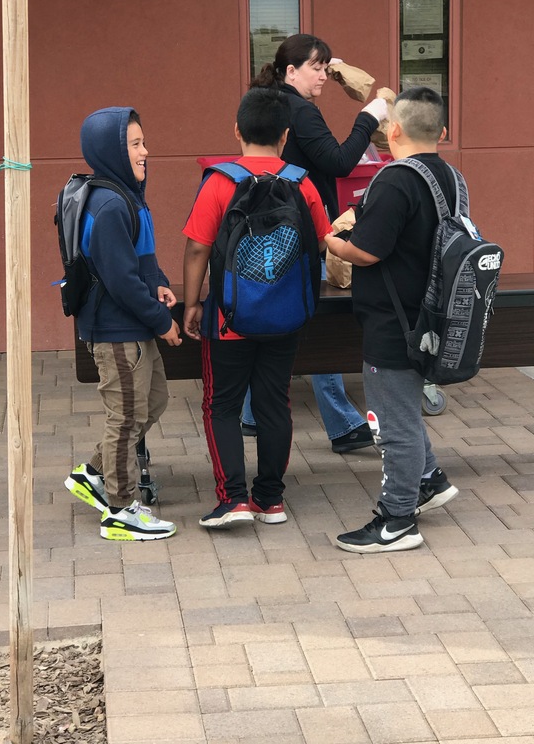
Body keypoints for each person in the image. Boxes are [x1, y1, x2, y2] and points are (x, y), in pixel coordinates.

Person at [183, 88, 332, 527]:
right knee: (274, 403)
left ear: (237, 131)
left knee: (223, 404)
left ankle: (233, 498)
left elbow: (197, 249)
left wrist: (193, 304)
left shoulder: (220, 181)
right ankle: (270, 499)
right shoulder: (302, 181)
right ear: (285, 136)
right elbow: (321, 243)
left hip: (230, 318)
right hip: (284, 317)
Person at [325, 86, 459, 553]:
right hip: (433, 317)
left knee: (393, 422)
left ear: (392, 129)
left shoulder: (396, 179)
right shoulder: (452, 179)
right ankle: (431, 480)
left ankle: (397, 520)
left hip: (395, 322)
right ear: (441, 131)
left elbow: (365, 250)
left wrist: (332, 241)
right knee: (403, 409)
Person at [248, 33, 390, 453]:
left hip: (273, 226)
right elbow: (341, 161)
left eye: (326, 67)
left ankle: (249, 412)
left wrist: (327, 65)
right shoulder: (301, 112)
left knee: (281, 317)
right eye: (316, 67)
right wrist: (370, 116)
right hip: (302, 227)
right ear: (290, 70)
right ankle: (342, 424)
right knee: (312, 316)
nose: (324, 76)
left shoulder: (270, 101)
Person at [64, 106, 180, 542]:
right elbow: (120, 280)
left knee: (153, 403)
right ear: (110, 150)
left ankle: (93, 472)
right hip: (118, 330)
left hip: (133, 326)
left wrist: (161, 284)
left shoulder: (125, 194)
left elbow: (139, 259)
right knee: (127, 417)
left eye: (143, 142)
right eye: (135, 144)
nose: (145, 151)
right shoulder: (110, 204)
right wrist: (161, 319)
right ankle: (121, 510)